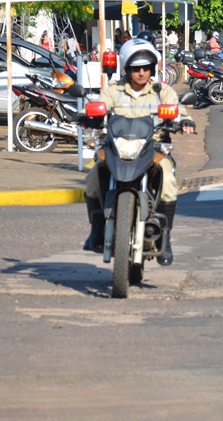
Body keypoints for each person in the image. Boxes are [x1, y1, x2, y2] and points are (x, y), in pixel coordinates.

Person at [83, 38, 196, 266]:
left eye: (146, 68)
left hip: (152, 150)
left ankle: (165, 236)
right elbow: (99, 106)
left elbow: (178, 109)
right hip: (116, 149)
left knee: (169, 180)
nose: (142, 73)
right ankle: (96, 228)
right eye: (136, 68)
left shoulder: (161, 91)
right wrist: (90, 117)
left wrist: (185, 121)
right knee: (94, 175)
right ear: (127, 69)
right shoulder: (113, 90)